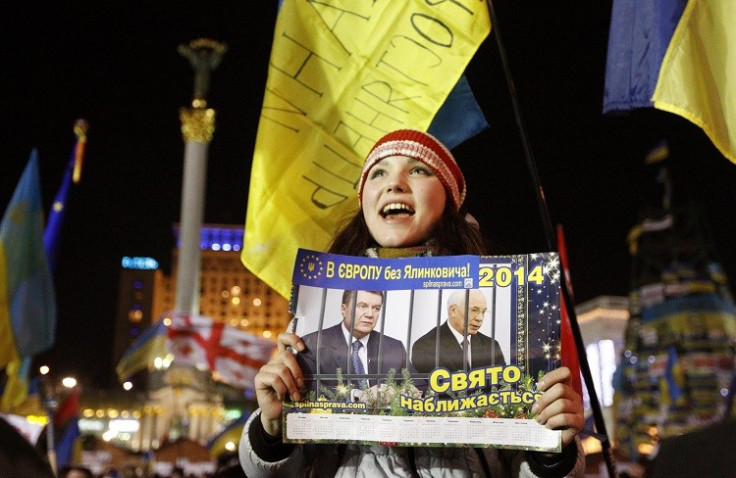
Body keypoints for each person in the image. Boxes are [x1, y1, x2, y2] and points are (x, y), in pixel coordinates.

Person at [240, 129, 586, 477]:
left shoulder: (502, 320)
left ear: (449, 199)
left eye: (418, 170)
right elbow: (274, 472)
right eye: (379, 172)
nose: (395, 184)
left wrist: (553, 447)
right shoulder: (311, 323)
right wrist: (270, 429)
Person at [297, 289, 412, 393]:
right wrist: (356, 396)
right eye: (362, 306)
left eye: (376, 308)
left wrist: (400, 393)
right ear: (344, 309)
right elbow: (304, 388)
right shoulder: (312, 344)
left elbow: (420, 388)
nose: (370, 314)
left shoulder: (395, 347)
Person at [411, 289, 506, 373]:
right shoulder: (425, 347)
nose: (480, 318)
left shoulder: (491, 346)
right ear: (453, 310)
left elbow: (503, 386)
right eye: (474, 310)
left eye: (483, 312)